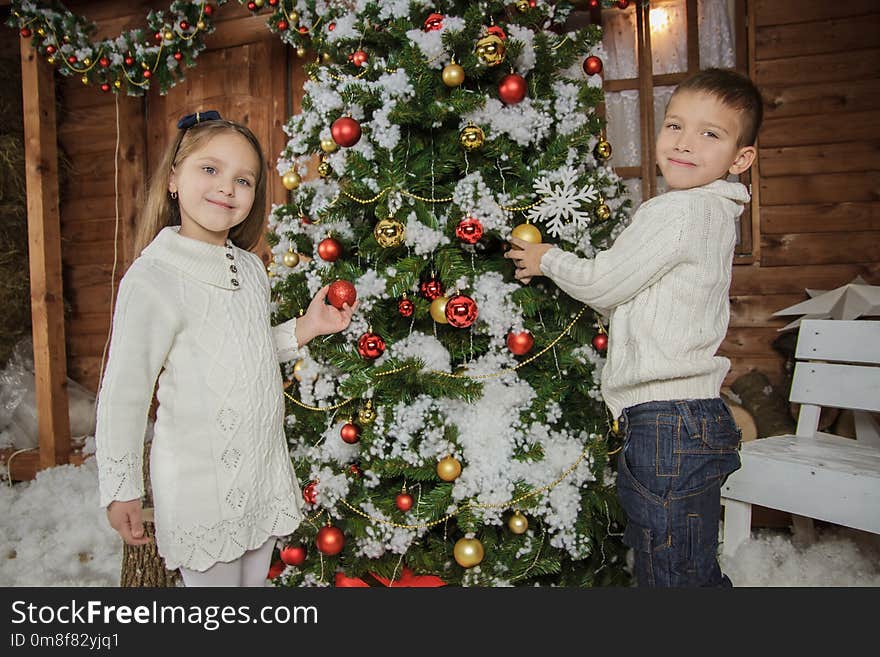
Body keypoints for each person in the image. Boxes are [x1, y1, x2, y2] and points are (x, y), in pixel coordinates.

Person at [505, 68, 763, 587]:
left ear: (740, 159)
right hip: (691, 418)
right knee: (688, 567)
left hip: (667, 422)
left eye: (710, 134)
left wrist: (547, 258)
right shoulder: (714, 213)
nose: (685, 143)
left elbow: (605, 283)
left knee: (669, 574)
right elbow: (643, 298)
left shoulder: (679, 212)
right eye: (675, 126)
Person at [95, 111, 355, 587]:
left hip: (259, 472)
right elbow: (123, 394)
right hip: (202, 489)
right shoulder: (154, 278)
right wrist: (121, 488)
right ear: (174, 177)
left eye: (244, 179)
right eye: (209, 169)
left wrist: (307, 326)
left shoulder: (251, 269)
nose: (226, 188)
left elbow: (244, 350)